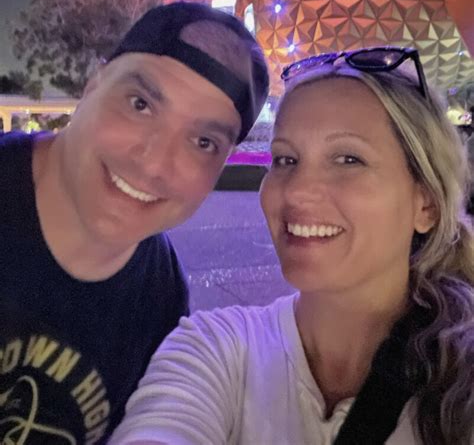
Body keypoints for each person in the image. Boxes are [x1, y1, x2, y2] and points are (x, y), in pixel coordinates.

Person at [110, 47, 474, 445]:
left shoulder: (462, 377)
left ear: (426, 205)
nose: (297, 191)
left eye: (348, 159)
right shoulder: (216, 348)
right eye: (285, 159)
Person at [0, 1, 269, 444]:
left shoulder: (161, 300)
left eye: (203, 142)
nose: (154, 163)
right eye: (140, 104)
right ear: (93, 85)